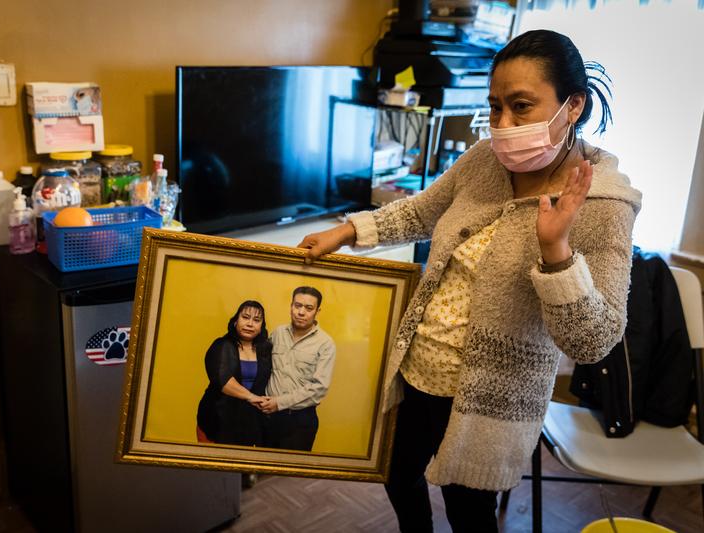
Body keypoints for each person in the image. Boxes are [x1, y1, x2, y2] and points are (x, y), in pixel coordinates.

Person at [297, 30, 642, 532]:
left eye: (521, 106)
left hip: (490, 400)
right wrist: (349, 230)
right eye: (495, 106)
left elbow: (593, 341)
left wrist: (556, 252)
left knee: (468, 513)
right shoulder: (485, 160)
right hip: (420, 371)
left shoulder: (604, 205)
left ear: (573, 106)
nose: (502, 125)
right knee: (396, 476)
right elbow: (422, 210)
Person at [258, 287, 336, 451]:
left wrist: (278, 403)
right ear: (291, 306)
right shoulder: (277, 333)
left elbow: (319, 388)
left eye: (308, 308)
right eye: (297, 305)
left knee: (289, 476)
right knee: (259, 471)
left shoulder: (325, 343)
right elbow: (262, 366)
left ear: (317, 311)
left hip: (299, 422)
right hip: (267, 418)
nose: (301, 312)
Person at [196, 300, 272, 446]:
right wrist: (251, 397)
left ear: (261, 326)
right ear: (236, 321)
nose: (250, 324)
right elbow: (223, 380)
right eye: (245, 317)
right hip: (217, 420)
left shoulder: (266, 350)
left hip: (249, 424)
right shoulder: (221, 345)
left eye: (256, 320)